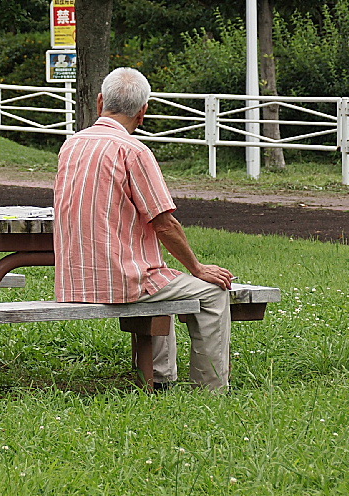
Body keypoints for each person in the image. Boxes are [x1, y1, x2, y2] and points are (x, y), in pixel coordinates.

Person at [53, 67, 234, 391]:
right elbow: (164, 223)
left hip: (74, 281)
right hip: (123, 282)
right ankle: (211, 389)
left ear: (99, 102)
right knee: (209, 292)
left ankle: (161, 377)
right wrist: (196, 267)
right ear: (143, 112)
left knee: (162, 280)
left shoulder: (72, 145)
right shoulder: (133, 151)